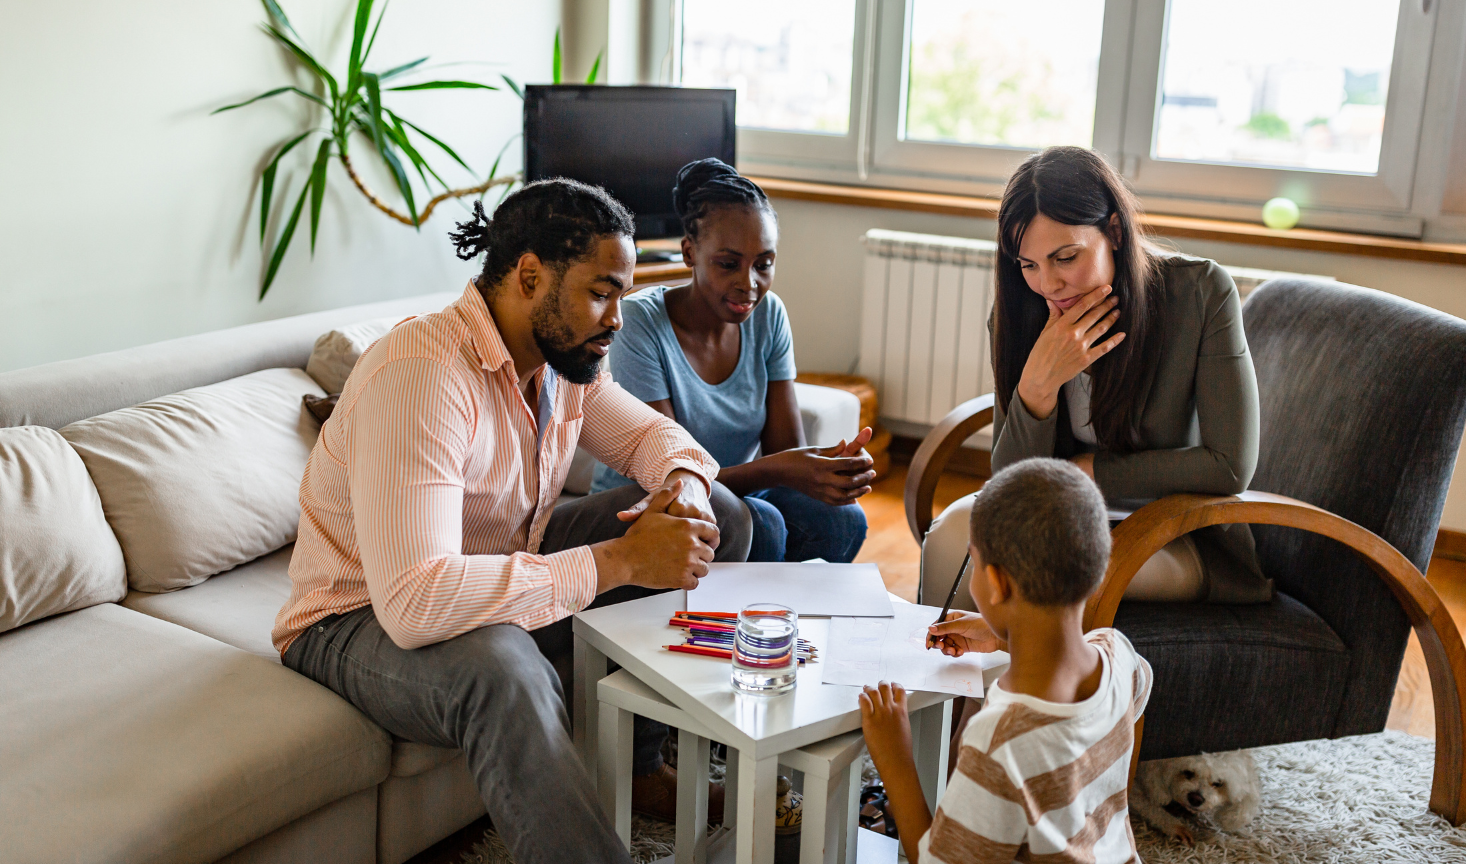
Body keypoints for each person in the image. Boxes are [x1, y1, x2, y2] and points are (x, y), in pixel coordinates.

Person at [272, 179, 752, 864]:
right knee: (504, 666)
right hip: (356, 615)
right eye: (601, 291)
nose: (617, 317)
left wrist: (683, 489)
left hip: (498, 559)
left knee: (723, 517)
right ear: (530, 275)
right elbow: (413, 602)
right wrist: (617, 562)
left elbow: (658, 441)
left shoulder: (566, 362)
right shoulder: (425, 375)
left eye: (621, 295)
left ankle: (643, 761)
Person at [919, 145, 1271, 609]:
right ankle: (952, 682)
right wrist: (1037, 388)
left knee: (1028, 563)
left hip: (1171, 532)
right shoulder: (1021, 312)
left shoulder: (1199, 293)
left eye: (1065, 257)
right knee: (948, 537)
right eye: (1028, 264)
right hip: (1060, 515)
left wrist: (1090, 472)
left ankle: (1015, 682)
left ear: (1115, 231)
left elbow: (1229, 465)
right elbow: (1010, 480)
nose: (1047, 283)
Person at [861, 458, 1153, 863]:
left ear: (997, 583)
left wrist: (895, 760)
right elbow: (1116, 700)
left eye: (974, 564)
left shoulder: (998, 741)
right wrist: (1005, 637)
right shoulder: (1119, 653)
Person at [590, 158, 874, 563]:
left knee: (842, 518)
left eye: (764, 264)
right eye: (728, 264)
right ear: (689, 252)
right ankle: (736, 624)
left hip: (732, 489)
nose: (749, 283)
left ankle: (781, 620)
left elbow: (784, 451)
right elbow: (668, 468)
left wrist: (828, 466)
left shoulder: (769, 315)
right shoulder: (640, 322)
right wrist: (788, 468)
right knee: (763, 521)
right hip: (648, 496)